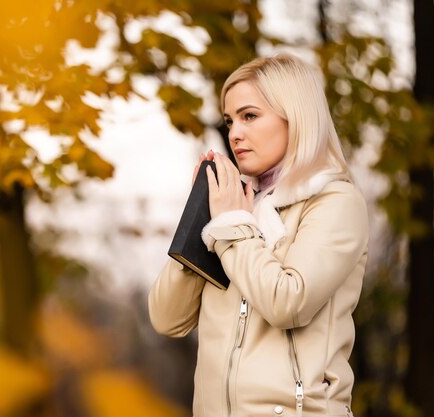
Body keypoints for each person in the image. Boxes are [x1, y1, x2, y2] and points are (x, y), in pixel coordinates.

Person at [148, 54, 368, 417]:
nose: (235, 133)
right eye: (230, 120)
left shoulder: (336, 201)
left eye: (249, 116)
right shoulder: (234, 206)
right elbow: (167, 319)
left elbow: (288, 303)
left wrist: (232, 225)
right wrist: (200, 219)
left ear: (294, 117)